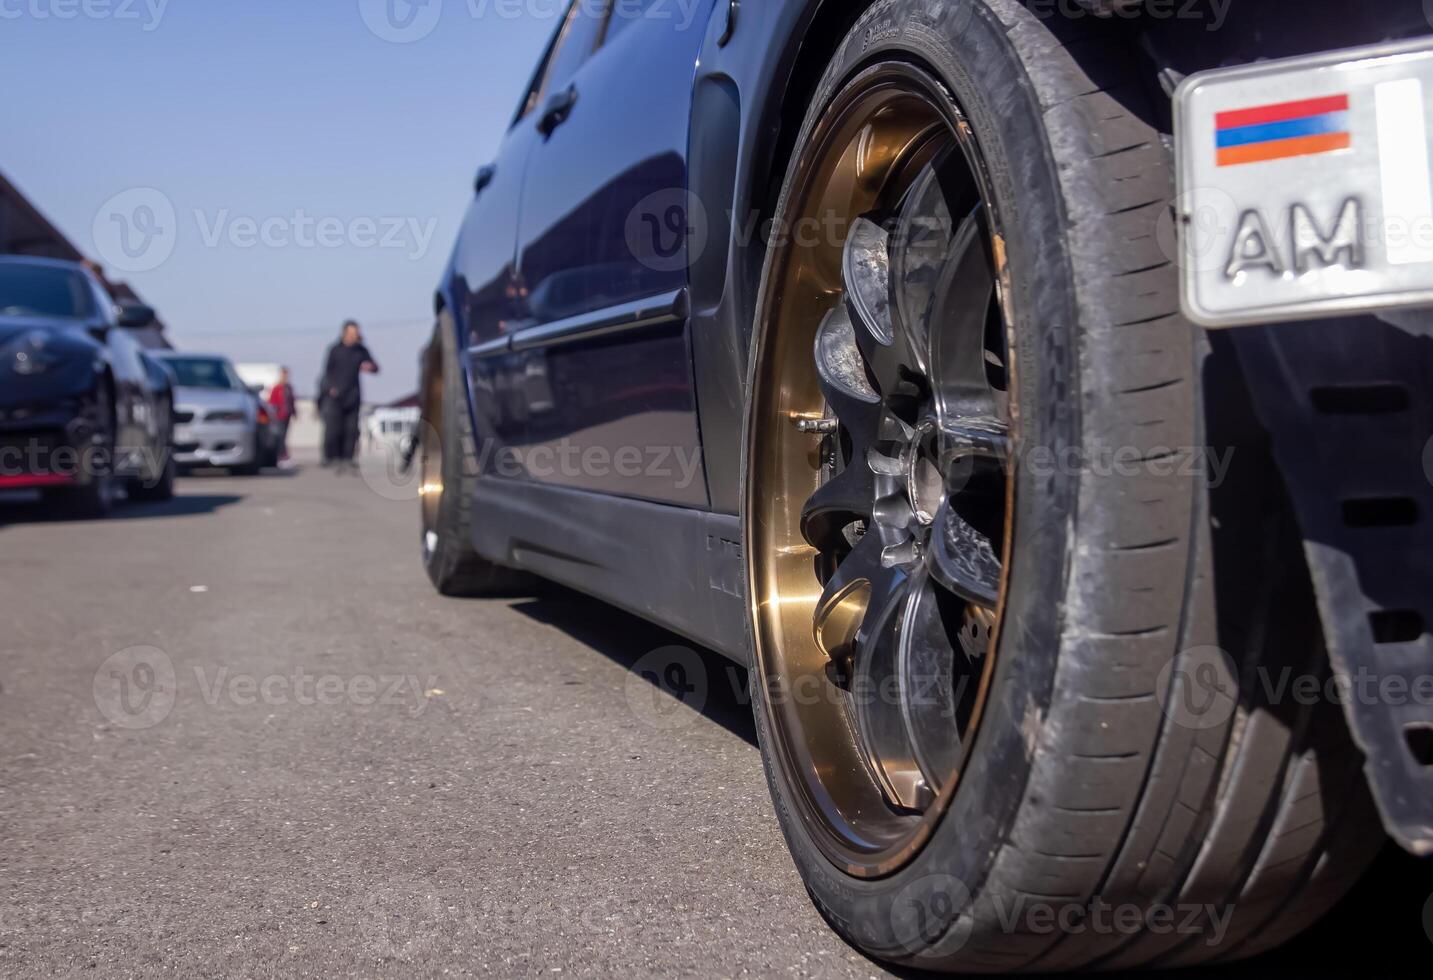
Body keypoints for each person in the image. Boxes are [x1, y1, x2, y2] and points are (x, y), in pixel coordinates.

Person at [319, 321, 379, 473]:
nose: (354, 336)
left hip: (353, 395)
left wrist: (370, 367)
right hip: (335, 395)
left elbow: (375, 367)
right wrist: (329, 388)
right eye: (351, 333)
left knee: (351, 429)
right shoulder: (335, 349)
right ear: (344, 333)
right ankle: (330, 457)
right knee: (333, 428)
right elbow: (327, 371)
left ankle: (348, 457)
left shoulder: (361, 350)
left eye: (356, 333)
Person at [266, 366, 296, 468]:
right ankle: (281, 456)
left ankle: (283, 456)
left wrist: (294, 413)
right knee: (280, 436)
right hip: (278, 416)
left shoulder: (289, 387)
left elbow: (292, 401)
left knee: (284, 436)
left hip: (287, 415)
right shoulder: (277, 388)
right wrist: (273, 415)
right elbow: (272, 403)